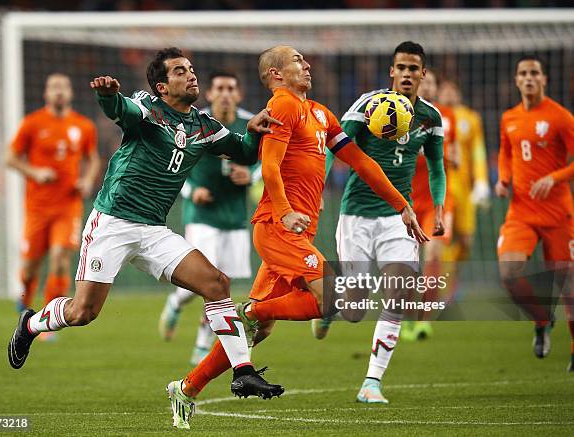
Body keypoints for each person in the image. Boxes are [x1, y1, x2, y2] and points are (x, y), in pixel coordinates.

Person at [6, 47, 285, 430]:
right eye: (180, 71)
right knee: (83, 313)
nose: (191, 75)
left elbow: (244, 153)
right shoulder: (148, 108)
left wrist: (253, 133)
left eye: (191, 69)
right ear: (161, 85)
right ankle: (31, 324)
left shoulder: (205, 127)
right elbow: (121, 110)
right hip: (113, 223)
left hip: (154, 230)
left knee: (216, 283)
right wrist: (107, 95)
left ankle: (243, 370)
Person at [171, 44, 429, 428]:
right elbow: (270, 167)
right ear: (276, 74)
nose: (307, 64)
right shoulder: (283, 106)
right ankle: (255, 310)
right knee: (333, 297)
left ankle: (185, 388)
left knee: (256, 332)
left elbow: (361, 161)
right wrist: (285, 209)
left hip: (293, 231)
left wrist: (402, 205)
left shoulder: (320, 114)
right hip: (277, 228)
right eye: (297, 61)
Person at [313, 42, 447, 403]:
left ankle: (371, 382)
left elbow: (436, 165)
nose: (406, 73)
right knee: (355, 309)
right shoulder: (368, 105)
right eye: (400, 67)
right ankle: (331, 302)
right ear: (391, 72)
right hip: (356, 214)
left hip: (399, 217)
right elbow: (334, 144)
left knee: (399, 291)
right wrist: (318, 189)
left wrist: (438, 207)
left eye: (413, 68)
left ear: (423, 74)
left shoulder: (431, 117)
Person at [158, 71, 260, 365]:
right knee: (205, 282)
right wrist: (192, 191)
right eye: (220, 88)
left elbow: (267, 158)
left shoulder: (250, 123)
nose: (226, 93)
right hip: (202, 215)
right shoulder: (193, 122)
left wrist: (251, 175)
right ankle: (184, 314)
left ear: (238, 95)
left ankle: (197, 335)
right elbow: (172, 166)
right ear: (211, 94)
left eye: (231, 87)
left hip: (234, 217)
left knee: (221, 285)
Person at [6, 73, 100, 342]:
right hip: (37, 207)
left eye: (63, 87)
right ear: (46, 93)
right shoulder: (32, 123)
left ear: (70, 93)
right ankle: (24, 303)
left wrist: (86, 180)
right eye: (54, 87)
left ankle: (46, 320)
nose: (59, 92)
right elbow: (10, 158)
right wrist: (34, 172)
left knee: (60, 259)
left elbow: (93, 159)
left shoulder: (83, 126)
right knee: (29, 268)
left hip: (67, 207)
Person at [495, 55, 573, 370]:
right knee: (508, 274)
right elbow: (505, 151)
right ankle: (542, 320)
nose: (529, 78)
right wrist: (503, 179)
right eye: (523, 73)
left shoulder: (561, 118)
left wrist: (553, 177)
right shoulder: (509, 118)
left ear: (544, 80)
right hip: (521, 213)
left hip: (558, 215)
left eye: (534, 73)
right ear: (516, 80)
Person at [403, 68, 455, 341]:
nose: (427, 87)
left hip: (439, 201)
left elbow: (453, 157)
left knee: (434, 256)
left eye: (432, 82)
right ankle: (407, 317)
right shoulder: (397, 115)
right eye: (424, 82)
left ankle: (424, 320)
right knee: (408, 264)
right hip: (408, 201)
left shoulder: (447, 120)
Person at [438, 79, 490, 263]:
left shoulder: (471, 118)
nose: (449, 93)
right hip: (441, 188)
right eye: (445, 89)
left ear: (459, 94)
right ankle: (439, 282)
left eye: (453, 88)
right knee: (440, 238)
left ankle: (449, 275)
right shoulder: (431, 116)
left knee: (466, 241)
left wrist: (482, 181)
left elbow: (478, 152)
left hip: (465, 188)